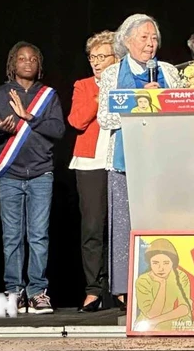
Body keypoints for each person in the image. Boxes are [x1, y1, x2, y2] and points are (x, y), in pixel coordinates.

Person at [97, 14, 181, 311]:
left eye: (154, 38)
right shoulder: (112, 74)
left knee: (160, 225)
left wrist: (166, 101)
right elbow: (105, 118)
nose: (150, 44)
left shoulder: (168, 72)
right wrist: (139, 101)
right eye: (144, 38)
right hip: (124, 161)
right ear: (127, 41)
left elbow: (184, 112)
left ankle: (164, 286)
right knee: (125, 226)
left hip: (162, 162)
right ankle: (126, 291)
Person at [0, 41, 64, 314]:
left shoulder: (48, 95)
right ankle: (13, 291)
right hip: (10, 174)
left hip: (41, 173)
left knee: (39, 236)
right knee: (12, 237)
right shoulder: (0, 93)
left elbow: (58, 129)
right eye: (21, 58)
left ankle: (37, 292)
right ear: (12, 64)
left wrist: (30, 117)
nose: (27, 62)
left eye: (32, 58)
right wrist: (0, 128)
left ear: (39, 64)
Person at [68, 30, 118, 312]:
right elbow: (76, 120)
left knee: (120, 227)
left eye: (103, 57)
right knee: (93, 228)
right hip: (90, 162)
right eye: (93, 57)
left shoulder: (126, 83)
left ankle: (120, 287)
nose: (97, 63)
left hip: (120, 160)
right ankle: (94, 289)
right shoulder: (84, 86)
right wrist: (101, 95)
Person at [132, 239, 193, 332]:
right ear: (150, 263)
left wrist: (156, 321)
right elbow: (152, 314)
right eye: (155, 263)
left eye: (166, 263)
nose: (161, 268)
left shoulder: (180, 276)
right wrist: (162, 284)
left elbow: (185, 308)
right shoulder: (143, 280)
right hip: (147, 327)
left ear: (173, 263)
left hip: (171, 321)